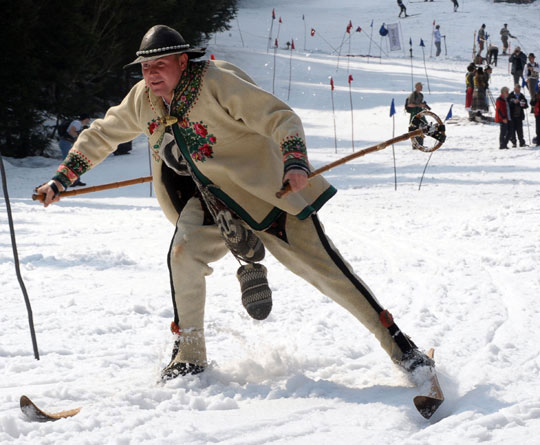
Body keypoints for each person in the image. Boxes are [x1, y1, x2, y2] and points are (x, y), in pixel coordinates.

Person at [36, 25, 434, 382]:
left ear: (182, 61)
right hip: (207, 202)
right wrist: (62, 178)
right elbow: (103, 133)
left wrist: (294, 163)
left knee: (328, 273)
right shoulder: (143, 99)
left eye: (160, 65)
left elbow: (279, 117)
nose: (151, 74)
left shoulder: (216, 82)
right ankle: (189, 354)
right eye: (145, 67)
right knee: (183, 254)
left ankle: (402, 348)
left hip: (267, 195)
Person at [58, 114, 90, 187]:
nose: (88, 121)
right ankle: (69, 181)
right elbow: (71, 131)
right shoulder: (77, 123)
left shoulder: (78, 124)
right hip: (66, 143)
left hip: (67, 143)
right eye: (88, 120)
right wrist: (79, 136)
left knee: (74, 161)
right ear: (85, 119)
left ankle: (76, 180)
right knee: (69, 162)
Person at [406, 82, 430, 148]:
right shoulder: (413, 95)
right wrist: (419, 105)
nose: (422, 87)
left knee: (422, 126)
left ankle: (420, 144)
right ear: (417, 87)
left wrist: (423, 106)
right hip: (414, 113)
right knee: (414, 127)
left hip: (420, 112)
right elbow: (409, 104)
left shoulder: (421, 95)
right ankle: (415, 145)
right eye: (420, 86)